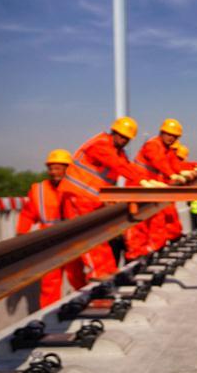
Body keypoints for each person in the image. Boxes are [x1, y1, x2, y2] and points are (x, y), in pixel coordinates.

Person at [59, 117, 165, 278]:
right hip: (76, 195)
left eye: (127, 139)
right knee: (88, 237)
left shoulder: (119, 152)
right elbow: (117, 165)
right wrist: (142, 180)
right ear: (113, 132)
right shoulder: (100, 144)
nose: (123, 140)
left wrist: (148, 180)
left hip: (93, 200)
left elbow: (128, 166)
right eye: (121, 136)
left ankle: (109, 271)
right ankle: (97, 273)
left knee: (101, 237)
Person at [17, 149, 87, 308]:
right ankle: (48, 319)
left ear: (67, 169)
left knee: (77, 277)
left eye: (58, 168)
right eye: (51, 168)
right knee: (50, 283)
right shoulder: (38, 190)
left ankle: (83, 307)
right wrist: (21, 235)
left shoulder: (77, 188)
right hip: (49, 244)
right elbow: (28, 213)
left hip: (72, 241)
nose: (53, 172)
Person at [125, 118, 191, 259]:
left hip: (150, 188)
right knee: (139, 225)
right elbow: (159, 161)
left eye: (175, 136)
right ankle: (135, 255)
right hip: (138, 187)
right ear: (161, 132)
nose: (171, 138)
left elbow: (175, 164)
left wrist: (186, 171)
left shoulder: (167, 150)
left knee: (157, 222)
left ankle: (152, 250)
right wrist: (172, 174)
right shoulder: (153, 145)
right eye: (169, 134)